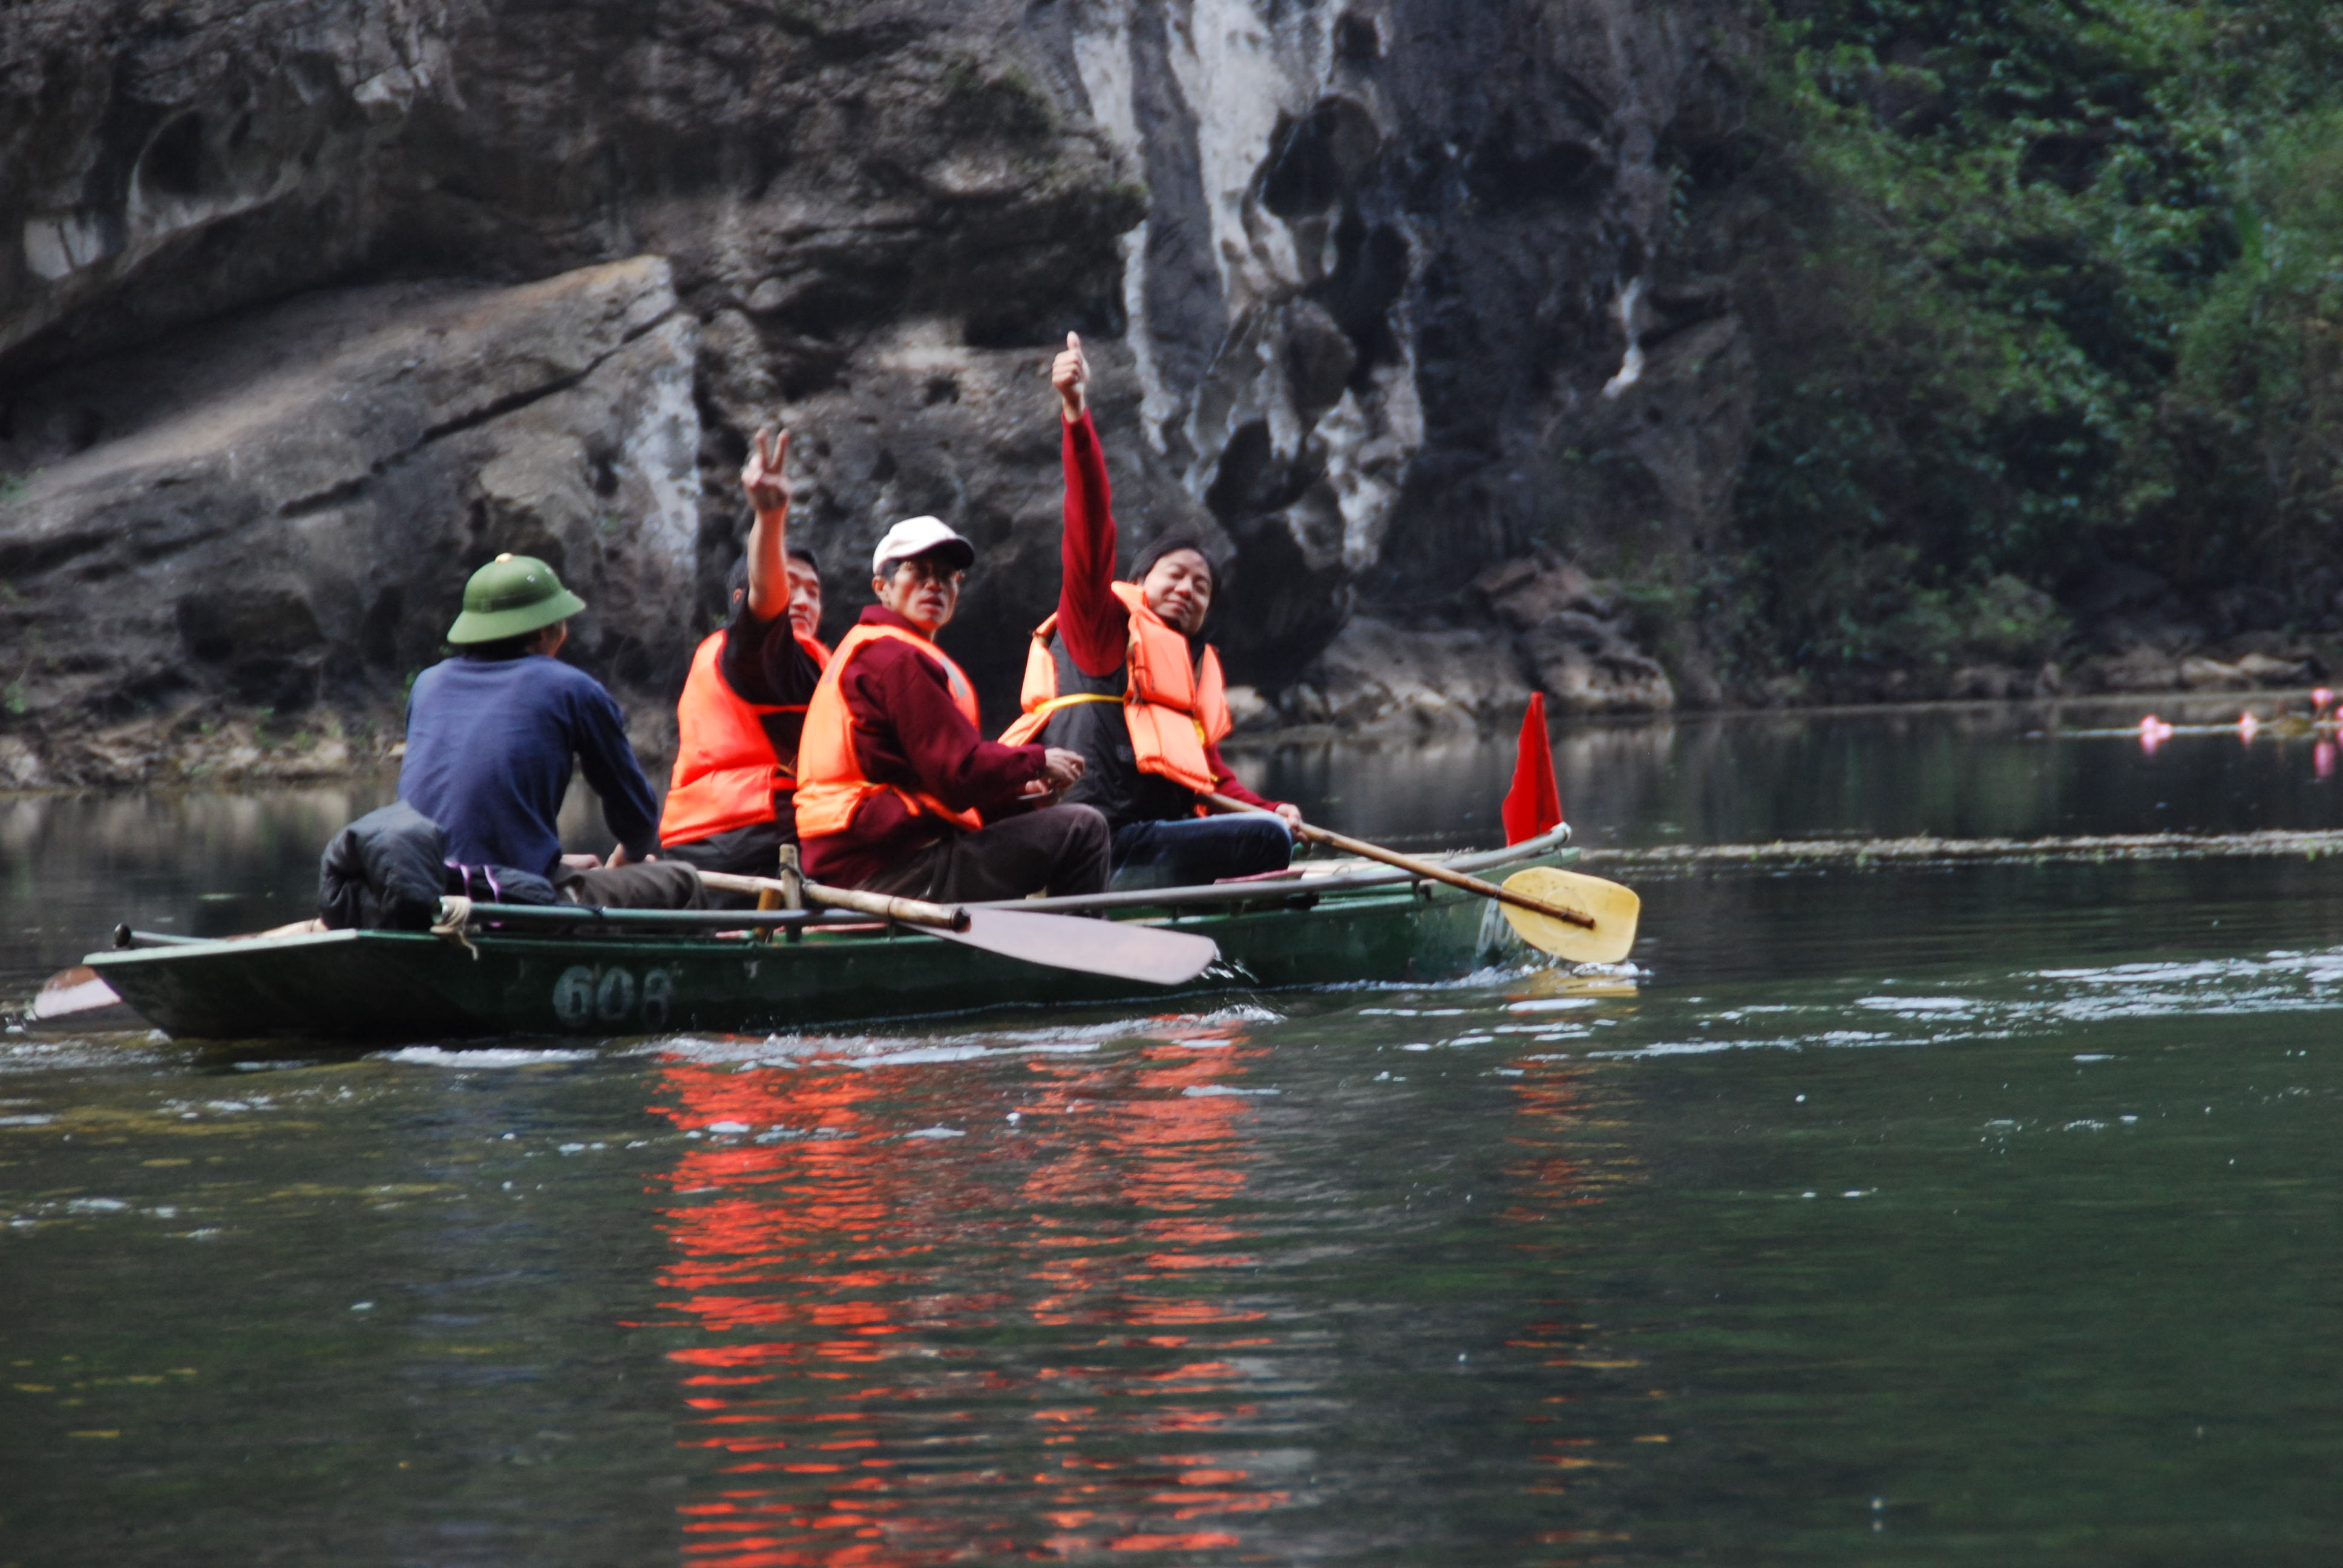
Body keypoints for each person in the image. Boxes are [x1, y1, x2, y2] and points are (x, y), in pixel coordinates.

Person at [999, 333, 1302, 889]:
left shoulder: (1183, 674)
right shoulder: (1099, 628)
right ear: (1137, 583)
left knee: (1268, 829)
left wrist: (1270, 806)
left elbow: (1212, 780)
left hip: (1157, 836)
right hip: (1100, 845)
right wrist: (1075, 415)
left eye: (1202, 586)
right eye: (1176, 575)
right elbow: (1089, 531)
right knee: (1265, 841)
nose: (1189, 589)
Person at [793, 518, 1111, 902]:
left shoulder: (874, 650)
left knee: (1041, 821)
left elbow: (933, 783)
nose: (934, 585)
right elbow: (956, 773)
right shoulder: (895, 658)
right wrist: (1038, 759)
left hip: (863, 864)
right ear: (883, 588)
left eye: (947, 576)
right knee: (1083, 828)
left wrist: (1019, 794)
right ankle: (1081, 956)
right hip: (887, 872)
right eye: (919, 572)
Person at [399, 553, 703, 909]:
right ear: (546, 632)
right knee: (681, 880)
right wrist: (627, 860)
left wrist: (557, 864)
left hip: (417, 882)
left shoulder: (428, 684)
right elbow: (636, 820)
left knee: (578, 871)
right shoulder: (572, 689)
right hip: (504, 896)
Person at [659, 425, 830, 880]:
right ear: (742, 600)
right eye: (791, 586)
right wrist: (770, 518)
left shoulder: (803, 663)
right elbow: (766, 604)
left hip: (697, 840)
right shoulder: (747, 651)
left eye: (814, 592)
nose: (803, 601)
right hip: (752, 835)